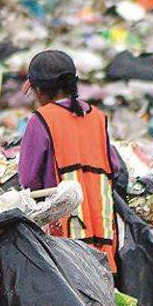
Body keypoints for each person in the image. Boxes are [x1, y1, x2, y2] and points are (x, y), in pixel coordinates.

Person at [12, 49, 127, 273]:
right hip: (104, 237)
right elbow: (115, 168)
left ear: (38, 90)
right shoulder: (97, 117)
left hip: (65, 241)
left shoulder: (41, 120)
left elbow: (28, 179)